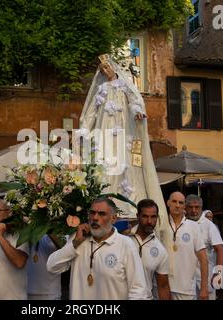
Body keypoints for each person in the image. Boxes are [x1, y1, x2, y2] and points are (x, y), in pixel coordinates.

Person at [77, 54, 166, 222]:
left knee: (122, 163)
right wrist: (84, 129)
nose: (105, 71)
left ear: (113, 67)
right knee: (103, 163)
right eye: (102, 69)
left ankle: (121, 202)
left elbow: (134, 101)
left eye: (107, 67)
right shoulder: (100, 89)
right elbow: (91, 113)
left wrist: (137, 112)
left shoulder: (125, 85)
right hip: (104, 131)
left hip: (122, 130)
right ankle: (102, 201)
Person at [46, 197, 148, 299]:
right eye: (92, 213)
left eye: (102, 214)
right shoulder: (78, 239)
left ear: (114, 218)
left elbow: (138, 290)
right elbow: (51, 266)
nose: (95, 218)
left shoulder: (126, 245)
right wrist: (75, 243)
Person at [161, 191, 209, 300]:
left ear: (184, 206)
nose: (177, 205)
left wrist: (204, 287)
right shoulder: (160, 225)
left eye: (181, 203)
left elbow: (203, 259)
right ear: (168, 203)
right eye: (174, 201)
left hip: (186, 289)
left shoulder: (193, 227)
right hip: (162, 288)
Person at [185, 194, 223, 300]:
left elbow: (220, 250)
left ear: (201, 208)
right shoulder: (182, 224)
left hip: (207, 276)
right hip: (186, 276)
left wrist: (219, 273)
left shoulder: (209, 225)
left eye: (197, 207)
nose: (194, 210)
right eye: (190, 207)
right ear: (185, 207)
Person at [129, 199, 171, 300]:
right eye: (145, 216)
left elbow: (163, 286)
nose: (149, 221)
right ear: (137, 216)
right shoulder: (124, 238)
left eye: (153, 217)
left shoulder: (160, 250)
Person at [27, 234, 62, 300]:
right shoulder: (30, 230)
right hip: (29, 290)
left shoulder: (57, 230)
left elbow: (65, 247)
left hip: (51, 293)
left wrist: (49, 228)